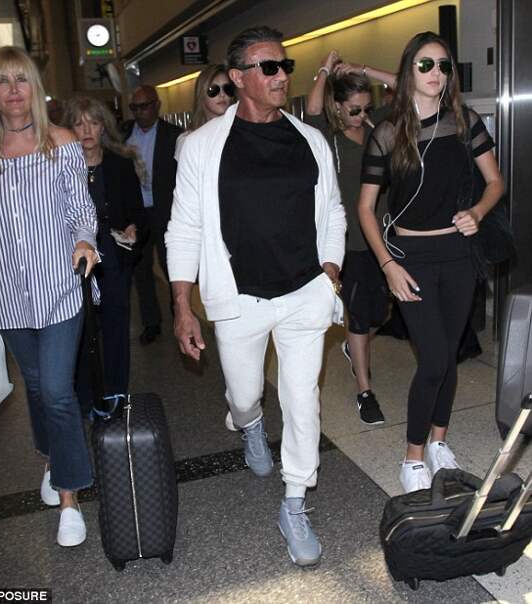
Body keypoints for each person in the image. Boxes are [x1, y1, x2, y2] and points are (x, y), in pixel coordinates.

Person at [166, 26, 346, 567]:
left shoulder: (310, 140)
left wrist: (330, 272)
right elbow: (184, 229)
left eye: (285, 66)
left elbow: (333, 211)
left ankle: (295, 500)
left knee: (301, 399)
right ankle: (246, 426)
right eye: (268, 67)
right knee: (245, 394)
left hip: (303, 294)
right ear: (239, 77)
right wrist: (182, 305)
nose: (281, 76)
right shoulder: (201, 147)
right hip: (237, 298)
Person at [0, 46, 99, 546]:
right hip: (6, 295)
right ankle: (53, 457)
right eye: (2, 81)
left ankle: (70, 496)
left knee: (56, 390)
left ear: (35, 88)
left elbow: (82, 210)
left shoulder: (62, 142)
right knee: (35, 387)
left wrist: (85, 241)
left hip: (59, 287)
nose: (12, 90)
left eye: (21, 80)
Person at [358, 31, 504, 493]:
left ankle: (440, 443)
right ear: (408, 72)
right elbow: (365, 208)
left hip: (457, 255)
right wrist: (387, 265)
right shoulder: (386, 131)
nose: (436, 73)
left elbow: (495, 182)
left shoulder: (465, 122)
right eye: (425, 65)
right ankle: (413, 454)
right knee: (435, 356)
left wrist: (477, 213)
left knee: (449, 355)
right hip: (409, 256)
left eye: (443, 65)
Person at [305, 51, 395, 426]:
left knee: (382, 313)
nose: (360, 115)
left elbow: (403, 87)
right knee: (359, 316)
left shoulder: (380, 134)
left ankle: (350, 345)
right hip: (351, 241)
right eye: (353, 109)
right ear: (338, 108)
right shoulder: (329, 140)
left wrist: (361, 68)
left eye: (365, 108)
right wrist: (326, 67)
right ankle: (364, 390)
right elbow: (311, 110)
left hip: (386, 236)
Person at [63, 96, 146, 408]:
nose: (86, 130)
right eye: (78, 123)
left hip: (113, 253)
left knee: (115, 323)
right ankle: (85, 395)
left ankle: (115, 393)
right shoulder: (59, 168)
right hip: (74, 256)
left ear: (103, 127)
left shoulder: (120, 165)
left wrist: (133, 229)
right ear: (68, 129)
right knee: (80, 325)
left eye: (93, 122)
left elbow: (138, 213)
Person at [121, 85, 183, 345]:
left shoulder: (175, 136)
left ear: (157, 106)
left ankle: (179, 314)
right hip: (136, 213)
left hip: (165, 211)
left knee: (173, 268)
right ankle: (151, 323)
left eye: (144, 106)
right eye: (135, 107)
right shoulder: (122, 134)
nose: (139, 112)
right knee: (141, 270)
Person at [174, 64, 235, 160]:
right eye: (213, 90)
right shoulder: (187, 140)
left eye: (227, 89)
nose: (222, 95)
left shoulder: (241, 131)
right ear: (202, 94)